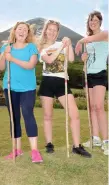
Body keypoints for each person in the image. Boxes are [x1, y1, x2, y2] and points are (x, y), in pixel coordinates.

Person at [37, 19, 91, 158]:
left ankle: (77, 146)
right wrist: (61, 47)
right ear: (46, 30)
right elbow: (49, 60)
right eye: (50, 29)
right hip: (47, 82)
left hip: (62, 82)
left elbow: (71, 59)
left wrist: (68, 45)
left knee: (75, 114)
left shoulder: (62, 43)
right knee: (48, 116)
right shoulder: (41, 47)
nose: (52, 32)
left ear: (57, 32)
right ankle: (49, 144)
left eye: (55, 30)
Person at [0, 22, 43, 162]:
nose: (22, 31)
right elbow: (1, 68)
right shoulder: (6, 47)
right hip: (10, 86)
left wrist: (12, 58)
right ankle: (16, 150)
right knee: (14, 117)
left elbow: (30, 65)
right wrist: (4, 55)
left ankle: (35, 151)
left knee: (28, 114)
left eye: (25, 29)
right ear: (14, 31)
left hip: (28, 88)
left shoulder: (31, 47)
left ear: (27, 33)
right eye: (20, 28)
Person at [75, 11, 108, 155]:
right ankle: (95, 138)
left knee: (99, 106)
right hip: (88, 74)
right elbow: (88, 58)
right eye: (90, 20)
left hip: (100, 74)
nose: (92, 22)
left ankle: (106, 141)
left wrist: (80, 41)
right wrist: (84, 59)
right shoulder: (89, 40)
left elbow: (90, 39)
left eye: (95, 20)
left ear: (100, 21)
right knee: (92, 107)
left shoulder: (105, 34)